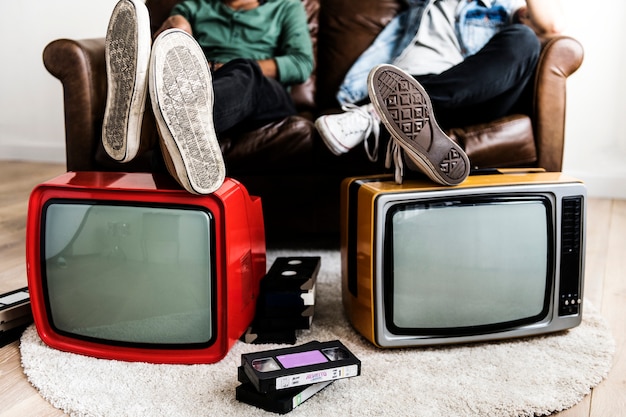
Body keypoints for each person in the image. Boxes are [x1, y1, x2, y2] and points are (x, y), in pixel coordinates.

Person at [315, 0, 565, 186]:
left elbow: (549, 27)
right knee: (402, 92)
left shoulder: (501, 9)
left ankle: (379, 114)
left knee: (525, 39)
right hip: (405, 84)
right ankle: (419, 138)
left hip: (469, 98)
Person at [102, 0, 314, 194]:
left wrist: (228, 67)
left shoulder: (286, 6)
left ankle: (150, 123)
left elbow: (301, 63)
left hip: (264, 92)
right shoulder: (194, 6)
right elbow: (175, 41)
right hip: (206, 86)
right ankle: (170, 122)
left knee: (244, 70)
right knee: (180, 76)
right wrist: (175, 30)